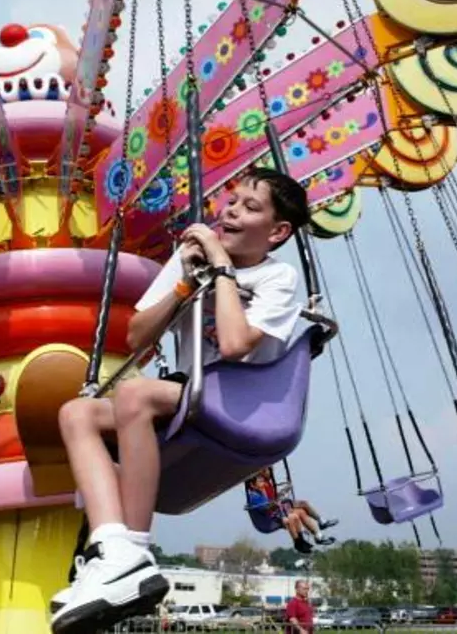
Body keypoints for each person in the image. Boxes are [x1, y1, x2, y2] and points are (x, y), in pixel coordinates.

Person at [50, 168, 312, 633]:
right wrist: (185, 283)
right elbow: (136, 336)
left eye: (251, 207)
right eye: (232, 200)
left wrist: (221, 269)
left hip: (250, 399)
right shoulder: (188, 259)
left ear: (276, 232)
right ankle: (111, 548)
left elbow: (233, 344)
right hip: (197, 394)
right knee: (77, 413)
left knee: (135, 393)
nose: (232, 210)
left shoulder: (279, 277)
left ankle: (133, 548)